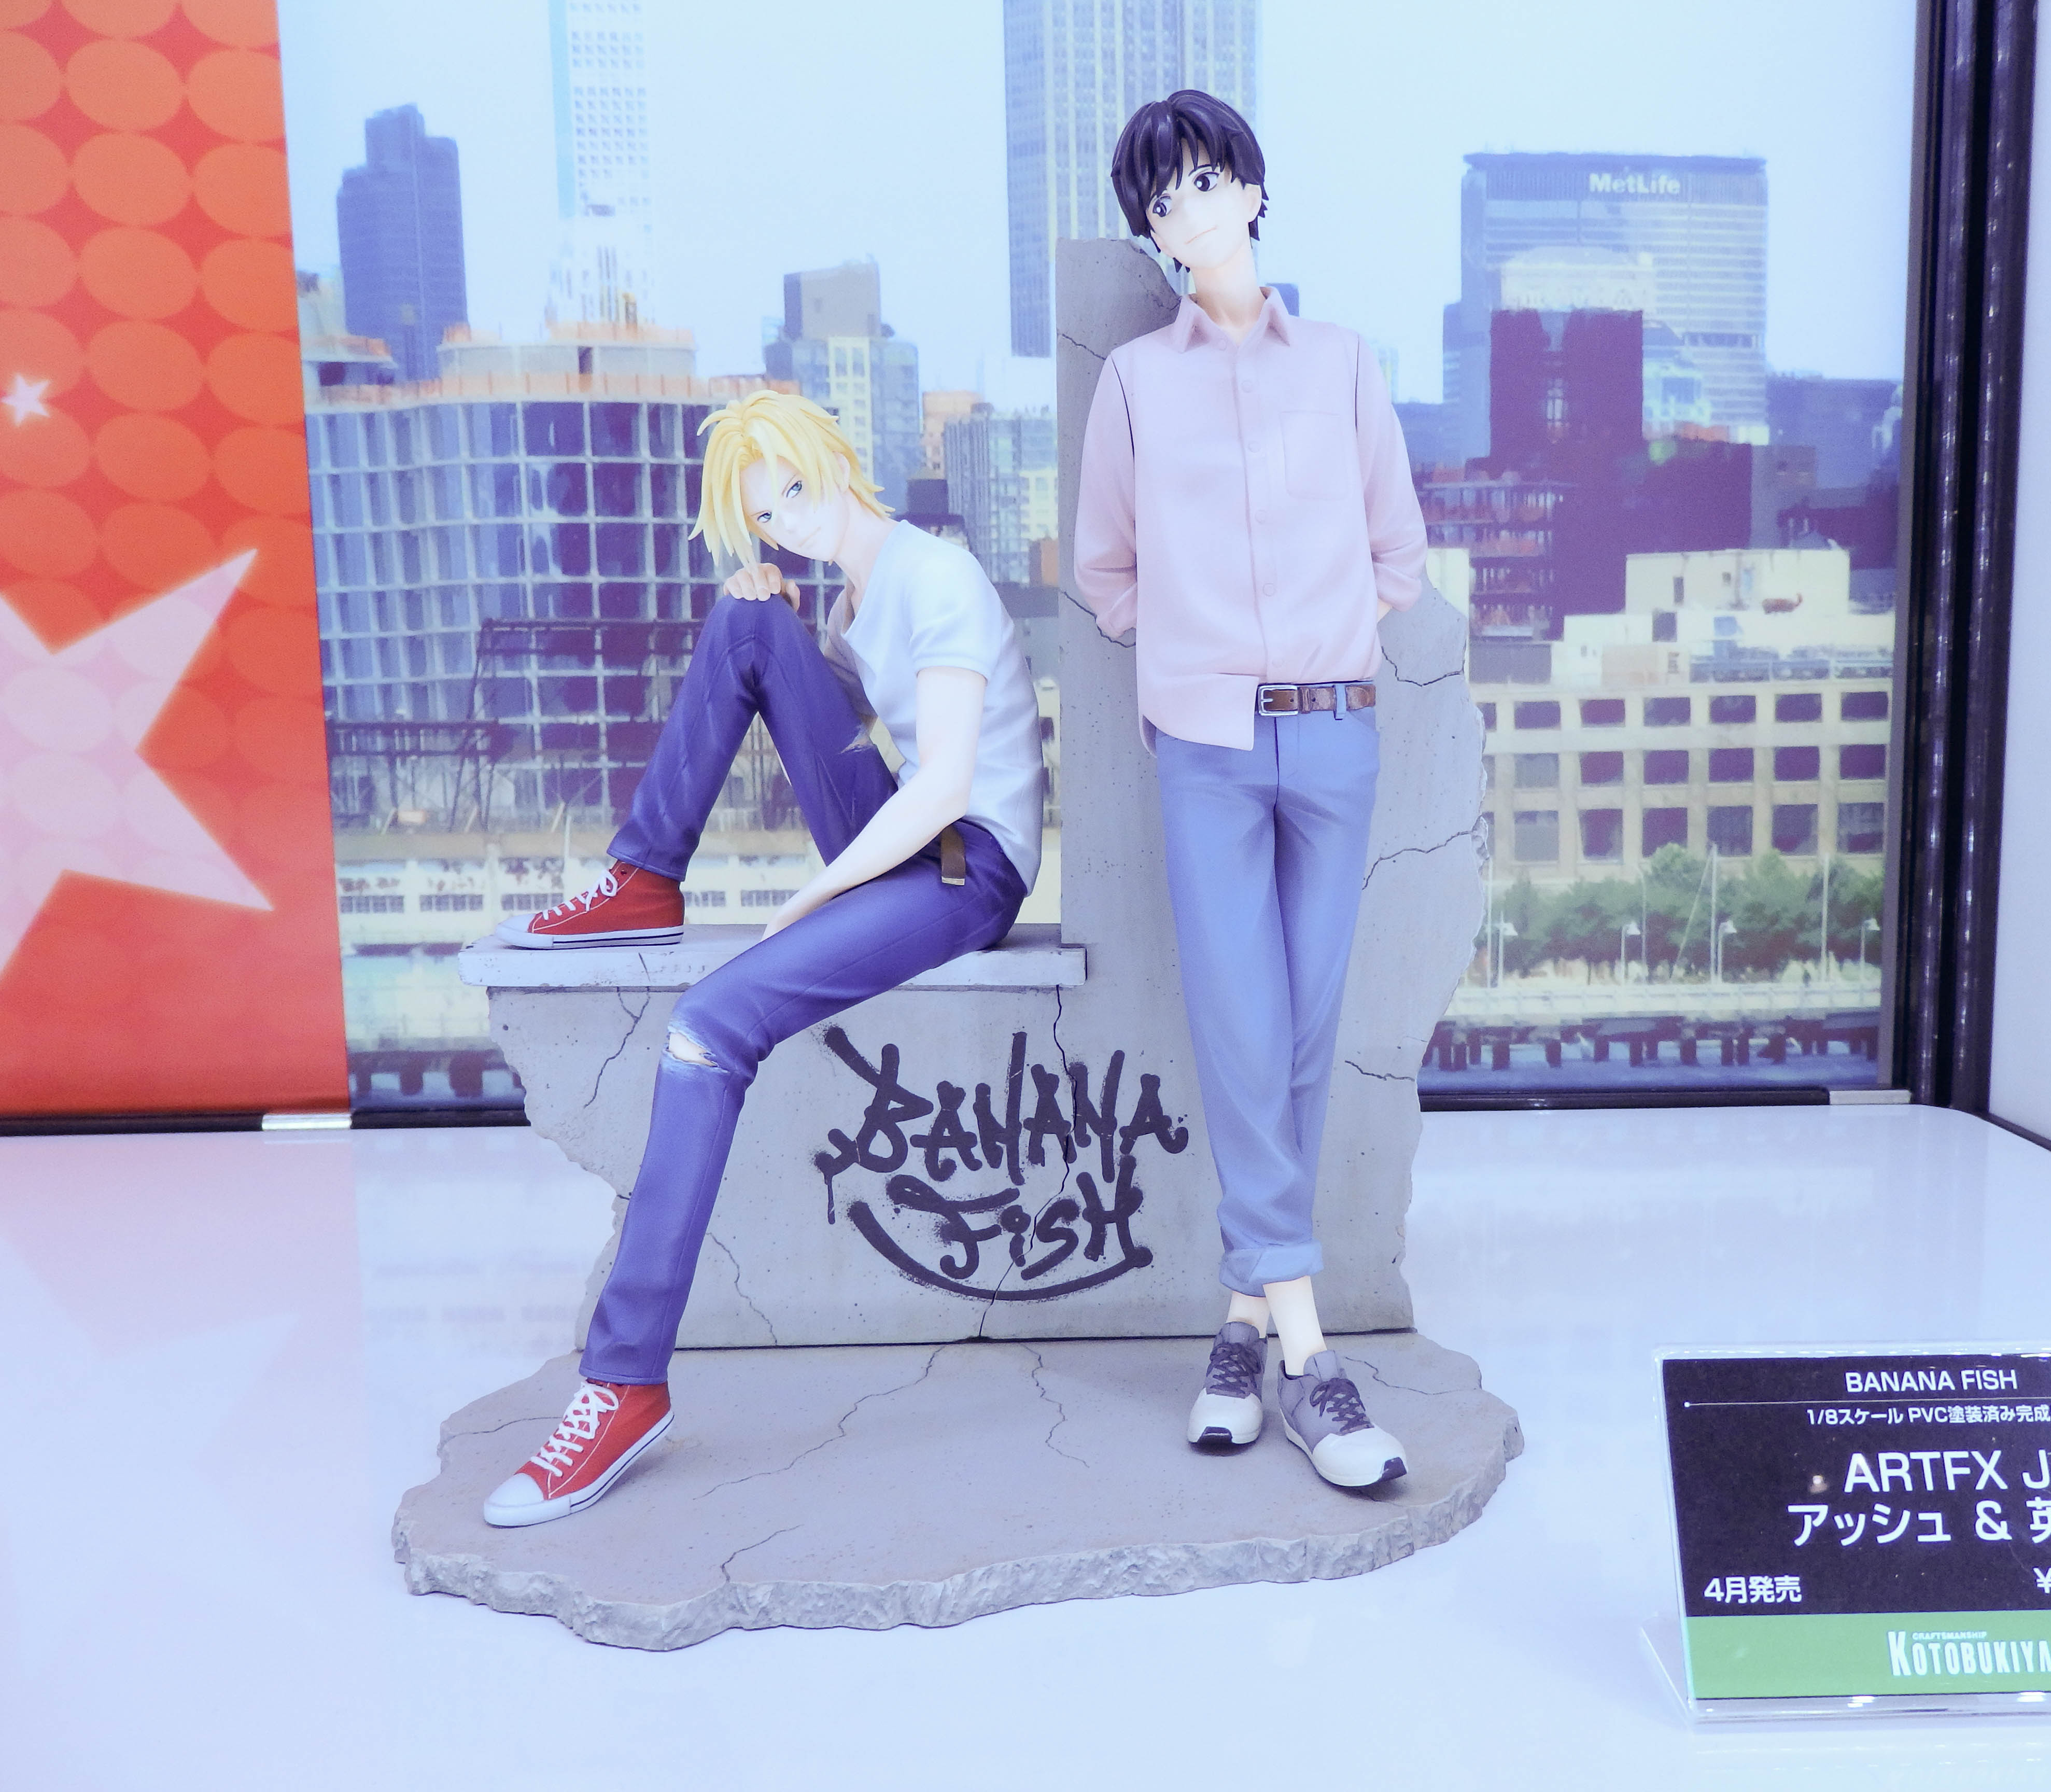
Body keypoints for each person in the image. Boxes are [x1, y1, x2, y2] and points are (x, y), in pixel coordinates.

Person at [480, 391, 1044, 1526]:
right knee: (746, 621)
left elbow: (944, 785)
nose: (790, 519)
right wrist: (777, 616)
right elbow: (849, 736)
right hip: (903, 846)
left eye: (796, 486)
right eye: (767, 514)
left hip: (964, 865)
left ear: (840, 458)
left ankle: (623, 1387)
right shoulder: (847, 604)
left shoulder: (937, 576)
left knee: (709, 1022)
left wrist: (815, 896)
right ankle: (645, 876)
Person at [1075, 91, 1428, 1490]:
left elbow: (1397, 554)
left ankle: (1239, 1325)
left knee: (1301, 1036)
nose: (1189, 213)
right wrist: (1194, 657)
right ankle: (1311, 1360)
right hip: (1207, 748)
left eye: (1207, 182)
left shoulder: (1342, 364)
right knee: (1239, 1026)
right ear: (1153, 235)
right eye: (1162, 202)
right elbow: (1106, 573)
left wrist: (1326, 642)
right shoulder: (1135, 384)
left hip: (1336, 735)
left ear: (1256, 192)